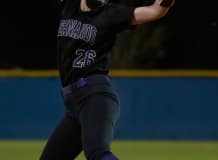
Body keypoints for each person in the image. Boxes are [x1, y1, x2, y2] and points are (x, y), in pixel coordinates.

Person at [40, 0, 175, 159]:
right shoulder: (71, 6)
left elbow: (155, 11)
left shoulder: (110, 14)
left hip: (95, 96)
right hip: (73, 104)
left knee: (97, 152)